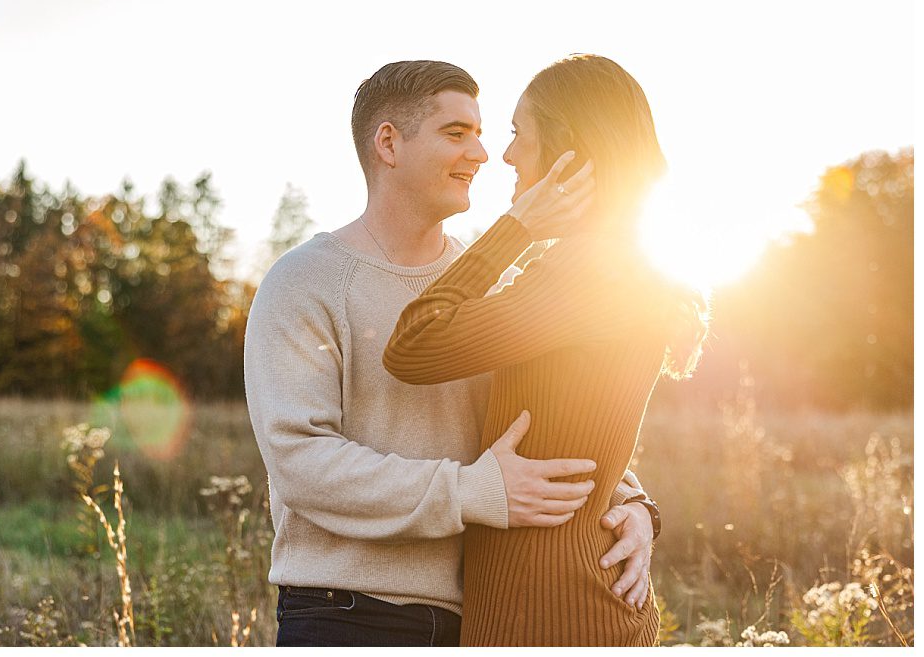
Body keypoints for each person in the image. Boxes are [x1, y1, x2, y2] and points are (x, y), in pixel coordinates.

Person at [244, 59, 660, 648]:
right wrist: (472, 491)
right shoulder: (304, 282)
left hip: (479, 616)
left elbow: (551, 415)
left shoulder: (485, 281)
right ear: (388, 143)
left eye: (484, 133)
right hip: (347, 613)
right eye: (456, 133)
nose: (485, 153)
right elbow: (300, 462)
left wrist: (636, 505)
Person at [383, 54, 708, 646]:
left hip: (550, 608)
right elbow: (582, 428)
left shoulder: (588, 273)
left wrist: (514, 228)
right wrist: (641, 507)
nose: (504, 156)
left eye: (516, 133)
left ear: (567, 149)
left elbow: (413, 346)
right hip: (559, 598)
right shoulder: (613, 265)